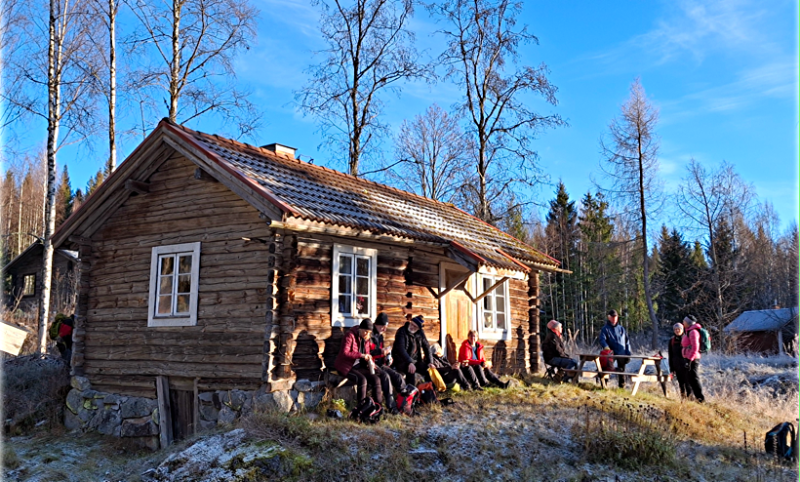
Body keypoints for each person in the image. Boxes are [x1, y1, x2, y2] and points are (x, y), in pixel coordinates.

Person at [334, 318, 385, 407]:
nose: (367, 334)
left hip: (358, 366)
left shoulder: (366, 338)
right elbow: (345, 353)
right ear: (360, 329)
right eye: (365, 331)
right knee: (362, 380)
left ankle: (378, 406)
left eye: (369, 332)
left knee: (376, 379)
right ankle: (361, 407)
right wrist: (361, 355)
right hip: (346, 366)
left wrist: (370, 361)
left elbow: (367, 352)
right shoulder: (349, 335)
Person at [370, 313, 406, 399]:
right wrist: (382, 352)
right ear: (377, 324)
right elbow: (368, 352)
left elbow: (380, 352)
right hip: (372, 365)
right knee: (386, 377)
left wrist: (387, 357)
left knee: (398, 377)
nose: (384, 329)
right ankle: (391, 403)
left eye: (386, 327)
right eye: (383, 327)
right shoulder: (369, 335)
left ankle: (404, 399)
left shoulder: (380, 336)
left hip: (380, 364)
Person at [392, 315, 432, 385]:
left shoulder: (420, 333)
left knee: (428, 369)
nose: (412, 327)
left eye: (415, 326)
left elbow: (427, 347)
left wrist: (430, 362)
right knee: (411, 370)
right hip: (402, 360)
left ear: (418, 329)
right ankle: (410, 392)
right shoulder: (402, 331)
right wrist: (409, 362)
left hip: (415, 360)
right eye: (412, 324)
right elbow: (400, 349)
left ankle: (428, 391)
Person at [598, 309, 632, 388]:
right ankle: (604, 385)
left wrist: (628, 352)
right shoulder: (605, 329)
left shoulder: (621, 329)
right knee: (606, 368)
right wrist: (605, 346)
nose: (614, 319)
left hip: (621, 352)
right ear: (609, 317)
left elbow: (627, 341)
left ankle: (622, 387)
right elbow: (602, 339)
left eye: (615, 317)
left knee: (621, 370)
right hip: (610, 353)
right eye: (612, 317)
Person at [681, 315, 705, 403]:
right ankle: (693, 397)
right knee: (689, 378)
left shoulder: (693, 332)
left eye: (684, 321)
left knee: (694, 378)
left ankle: (700, 399)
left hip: (693, 359)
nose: (683, 322)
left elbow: (695, 347)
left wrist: (689, 360)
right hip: (688, 358)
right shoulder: (688, 331)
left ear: (688, 322)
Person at [668, 322, 692, 399]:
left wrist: (690, 363)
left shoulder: (687, 339)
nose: (677, 331)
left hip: (686, 365)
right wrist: (671, 368)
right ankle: (683, 399)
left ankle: (690, 399)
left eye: (678, 329)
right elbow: (670, 355)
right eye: (675, 329)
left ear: (682, 330)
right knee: (681, 384)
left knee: (688, 383)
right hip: (677, 365)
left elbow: (691, 352)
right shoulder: (671, 341)